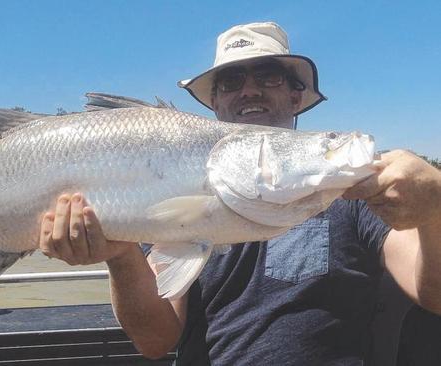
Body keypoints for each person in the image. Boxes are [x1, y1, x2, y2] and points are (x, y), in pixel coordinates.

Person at [38, 22, 441, 365]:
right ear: (215, 102)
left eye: (269, 75)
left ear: (296, 95)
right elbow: (157, 342)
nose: (249, 90)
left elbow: (434, 296)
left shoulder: (350, 195)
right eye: (231, 81)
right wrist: (121, 254)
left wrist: (435, 209)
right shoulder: (163, 191)